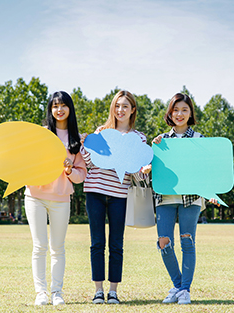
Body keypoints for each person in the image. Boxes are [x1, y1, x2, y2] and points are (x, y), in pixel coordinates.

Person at [0, 91, 87, 306]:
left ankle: (57, 293)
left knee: (58, 247)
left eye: (63, 105)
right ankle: (41, 293)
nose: (59, 109)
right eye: (55, 106)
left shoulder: (78, 140)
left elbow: (81, 175)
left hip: (61, 198)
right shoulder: (41, 134)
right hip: (34, 197)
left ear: (70, 109)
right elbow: (17, 157)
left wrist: (68, 171)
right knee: (39, 247)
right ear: (50, 110)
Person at [80, 90, 151, 305]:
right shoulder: (101, 132)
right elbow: (90, 163)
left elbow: (136, 173)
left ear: (133, 110)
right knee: (97, 243)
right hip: (95, 192)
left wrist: (145, 170)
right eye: (117, 106)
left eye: (125, 106)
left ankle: (113, 292)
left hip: (120, 195)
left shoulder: (139, 139)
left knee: (117, 244)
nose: (120, 110)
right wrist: (86, 146)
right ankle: (98, 291)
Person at [152, 93, 219, 305]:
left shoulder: (199, 140)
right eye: (175, 110)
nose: (179, 114)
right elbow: (157, 170)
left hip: (191, 198)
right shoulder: (161, 141)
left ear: (191, 113)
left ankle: (184, 291)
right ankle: (178, 285)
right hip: (165, 196)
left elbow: (206, 171)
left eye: (184, 110)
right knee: (164, 242)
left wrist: (212, 192)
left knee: (187, 241)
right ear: (169, 113)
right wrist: (149, 165)